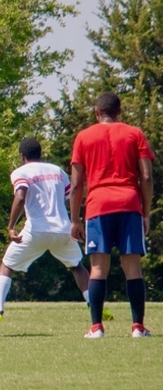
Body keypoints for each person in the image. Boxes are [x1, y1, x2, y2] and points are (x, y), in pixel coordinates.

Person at [0, 138, 102, 322]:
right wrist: (77, 221)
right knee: (76, 266)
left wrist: (11, 226)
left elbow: (20, 196)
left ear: (22, 156)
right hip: (63, 230)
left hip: (36, 230)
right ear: (40, 153)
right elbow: (73, 196)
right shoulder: (58, 172)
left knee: (7, 265)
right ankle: (94, 305)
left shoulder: (21, 172)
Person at [70, 92, 154, 338]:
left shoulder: (83, 137)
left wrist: (74, 219)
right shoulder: (134, 134)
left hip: (98, 206)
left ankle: (96, 327)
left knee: (98, 268)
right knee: (133, 267)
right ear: (119, 112)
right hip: (130, 204)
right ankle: (137, 326)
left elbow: (76, 185)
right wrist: (146, 213)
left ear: (97, 112)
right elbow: (147, 177)